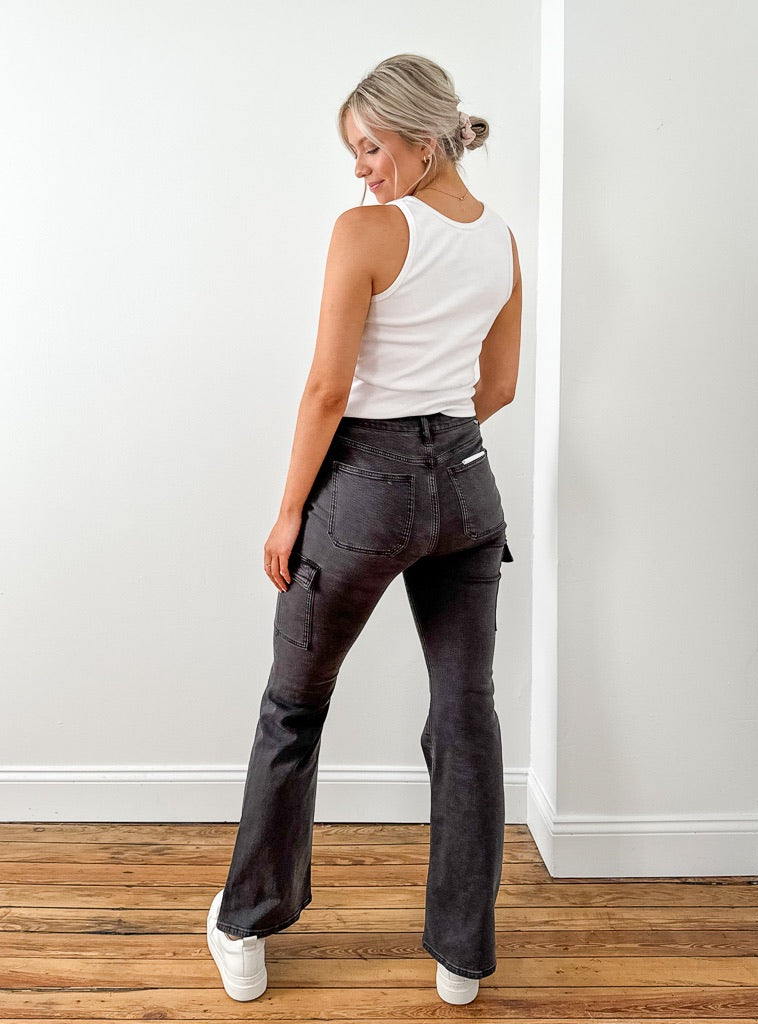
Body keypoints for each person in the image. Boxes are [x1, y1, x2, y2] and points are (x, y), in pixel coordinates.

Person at [206, 53, 522, 1007]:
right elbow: (499, 387)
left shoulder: (368, 231)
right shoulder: (502, 238)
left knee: (293, 707)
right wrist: (437, 445)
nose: (360, 168)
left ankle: (246, 925)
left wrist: (290, 511)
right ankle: (461, 957)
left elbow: (326, 389)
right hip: (468, 489)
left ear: (423, 141)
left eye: (371, 147)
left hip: (364, 493)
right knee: (466, 716)